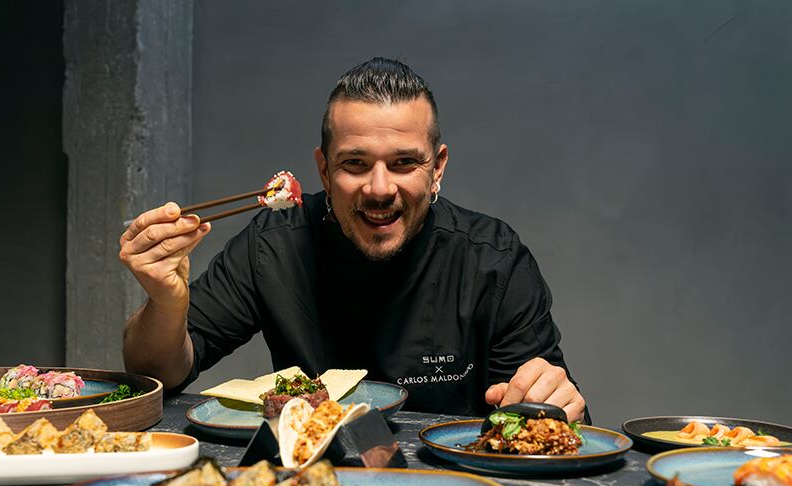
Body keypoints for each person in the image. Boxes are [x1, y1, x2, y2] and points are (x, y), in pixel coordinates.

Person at [120, 57, 587, 421]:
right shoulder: (275, 244)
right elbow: (161, 373)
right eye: (355, 164)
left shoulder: (493, 260)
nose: (380, 189)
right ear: (323, 168)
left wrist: (557, 401)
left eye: (404, 163)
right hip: (309, 481)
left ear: (437, 167)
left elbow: (549, 414)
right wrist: (164, 302)